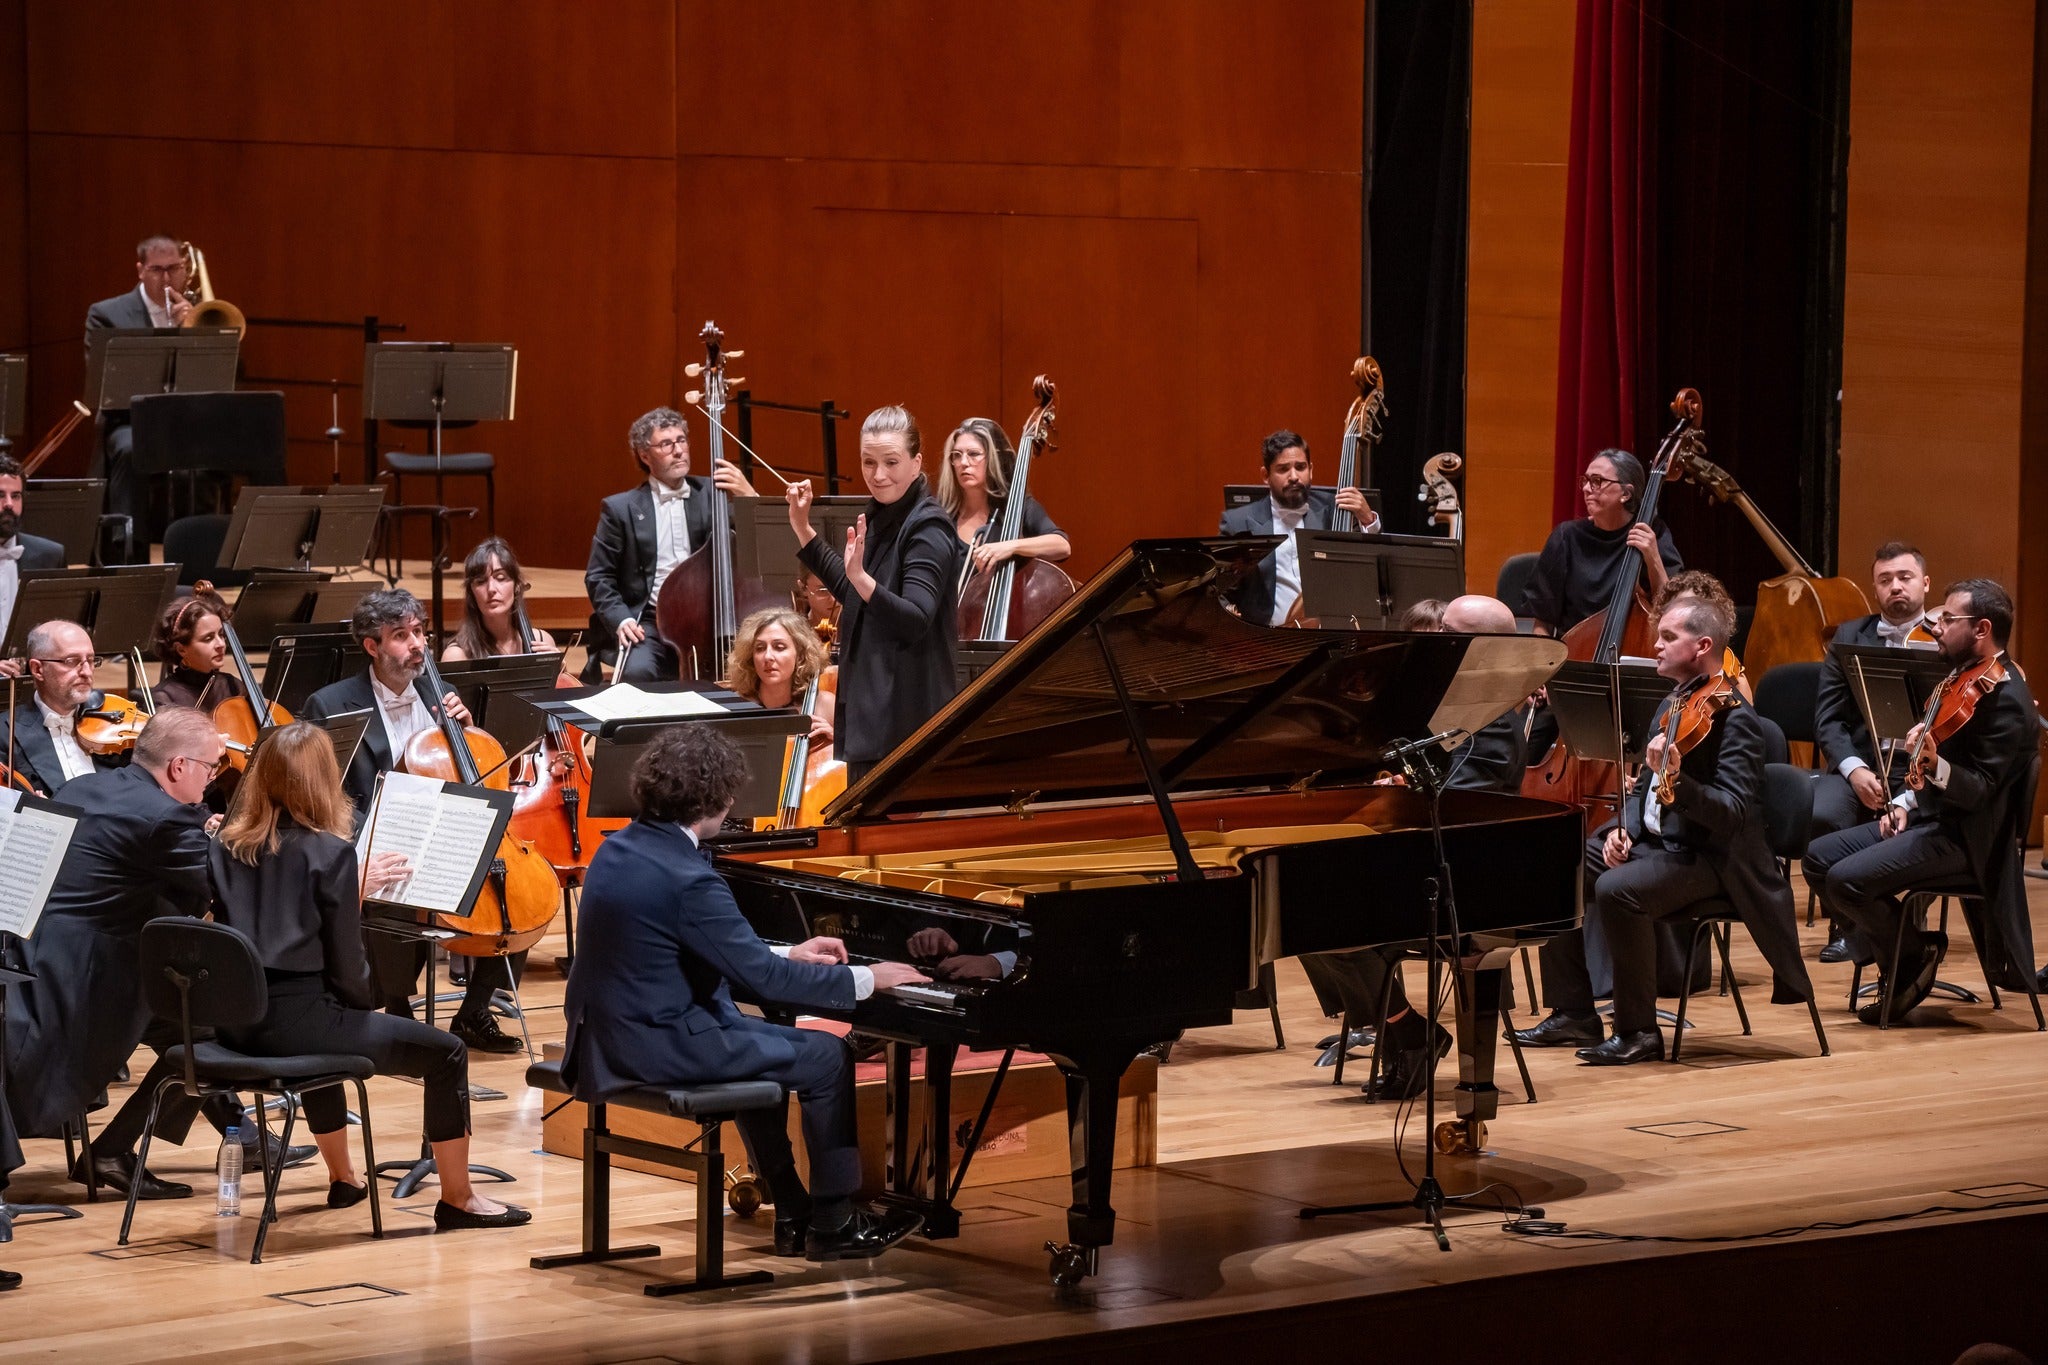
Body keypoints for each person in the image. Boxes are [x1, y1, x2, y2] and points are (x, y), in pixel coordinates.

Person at [561, 724, 930, 1261]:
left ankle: (794, 1213)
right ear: (714, 798)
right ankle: (834, 1221)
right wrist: (871, 978)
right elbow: (764, 982)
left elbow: (696, 950)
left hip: (605, 1039)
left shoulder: (619, 850)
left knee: (763, 1046)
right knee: (825, 1054)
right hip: (658, 1044)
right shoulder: (691, 877)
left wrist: (785, 953)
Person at [208, 721, 529, 1230]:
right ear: (322, 781)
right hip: (297, 1026)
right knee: (447, 1053)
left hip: (234, 1024)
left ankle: (345, 1178)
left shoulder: (225, 846)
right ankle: (459, 1199)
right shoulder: (332, 854)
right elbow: (346, 964)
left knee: (319, 1034)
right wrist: (362, 1002)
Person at [1513, 592, 1815, 1064]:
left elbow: (1730, 815)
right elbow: (1641, 794)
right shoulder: (1673, 701)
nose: (1655, 645)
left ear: (1702, 646)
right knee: (1559, 862)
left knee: (1617, 889)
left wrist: (1678, 780)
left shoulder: (1736, 720)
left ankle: (1639, 1030)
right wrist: (1625, 829)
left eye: (1668, 637)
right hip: (1660, 844)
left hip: (1714, 860)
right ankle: (1574, 1012)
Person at [1299, 595, 1527, 1096]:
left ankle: (1406, 1036)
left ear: (1480, 644)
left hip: (1466, 875)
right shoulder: (1442, 695)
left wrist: (1401, 796)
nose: (1436, 636)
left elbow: (1467, 802)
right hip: (1418, 859)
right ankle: (1405, 1030)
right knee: (1300, 911)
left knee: (1325, 918)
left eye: (1448, 629)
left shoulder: (1496, 716)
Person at [1, 707, 220, 1198]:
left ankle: (234, 1138)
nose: (213, 778)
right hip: (88, 981)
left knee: (199, 1030)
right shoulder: (166, 817)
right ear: (179, 767)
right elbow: (220, 887)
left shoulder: (84, 788)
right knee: (212, 1032)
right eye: (212, 766)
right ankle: (113, 1151)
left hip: (28, 954)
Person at [1804, 579, 2040, 1025]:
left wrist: (1934, 767)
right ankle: (1907, 952)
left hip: (1967, 840)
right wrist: (1906, 803)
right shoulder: (1956, 678)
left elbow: (1980, 791)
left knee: (1846, 881)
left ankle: (1909, 958)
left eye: (1949, 619)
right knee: (1818, 858)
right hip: (1928, 820)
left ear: (1981, 629)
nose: (1936, 626)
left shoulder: (2007, 701)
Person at [298, 591, 516, 1054]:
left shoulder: (443, 696)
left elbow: (473, 777)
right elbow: (324, 795)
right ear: (372, 647)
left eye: (419, 632)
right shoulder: (329, 704)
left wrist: (467, 732)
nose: (417, 644)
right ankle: (397, 1004)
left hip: (446, 825)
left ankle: (474, 1009)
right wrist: (375, 835)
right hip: (376, 833)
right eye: (401, 636)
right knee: (396, 873)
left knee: (514, 883)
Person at [786, 406, 962, 786]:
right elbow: (857, 593)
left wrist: (862, 579)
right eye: (869, 462)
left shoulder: (928, 526)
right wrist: (803, 528)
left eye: (891, 462)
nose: (878, 475)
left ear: (916, 464)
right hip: (876, 718)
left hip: (906, 724)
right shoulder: (885, 514)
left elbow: (914, 618)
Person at [1809, 542, 1939, 963]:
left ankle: (1887, 927)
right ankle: (1851, 925)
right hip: (1863, 764)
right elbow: (1828, 719)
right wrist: (1853, 770)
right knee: (1823, 812)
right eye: (1885, 580)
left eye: (1904, 578)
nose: (1895, 587)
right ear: (1874, 587)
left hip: (1923, 768)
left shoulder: (1945, 640)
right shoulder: (1849, 636)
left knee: (1923, 818)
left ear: (1925, 582)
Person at [583, 407, 751, 684]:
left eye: (682, 440)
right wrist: (622, 619)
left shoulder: (712, 494)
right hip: (649, 620)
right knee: (637, 673)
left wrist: (748, 496)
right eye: (666, 444)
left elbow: (752, 539)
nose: (678, 450)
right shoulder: (620, 509)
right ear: (644, 455)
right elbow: (599, 576)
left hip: (712, 618)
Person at [84, 235, 190, 553]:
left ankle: (209, 555)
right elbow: (102, 382)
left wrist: (192, 331)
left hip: (184, 421)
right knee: (131, 450)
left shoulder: (197, 313)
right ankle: (126, 552)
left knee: (236, 442)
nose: (167, 278)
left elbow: (226, 373)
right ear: (141, 270)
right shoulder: (106, 314)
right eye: (157, 270)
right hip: (129, 420)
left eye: (174, 269)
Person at [1218, 430, 1379, 626]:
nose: (1294, 476)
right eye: (1283, 469)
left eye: (1300, 467)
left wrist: (1367, 520)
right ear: (1265, 475)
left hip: (1327, 634)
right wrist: (1231, 618)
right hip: (1265, 640)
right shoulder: (1238, 522)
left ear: (1310, 470)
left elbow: (1366, 566)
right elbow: (1220, 591)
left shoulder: (1335, 511)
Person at [1520, 448, 1682, 637]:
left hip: (1630, 656)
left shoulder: (1653, 533)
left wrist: (1652, 556)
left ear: (1626, 493)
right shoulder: (1567, 536)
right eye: (1586, 480)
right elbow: (1542, 621)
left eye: (1597, 481)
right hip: (1572, 655)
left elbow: (1672, 609)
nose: (1587, 488)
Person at [936, 418, 1071, 583]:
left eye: (973, 454)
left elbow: (1062, 546)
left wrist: (1011, 546)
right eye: (957, 455)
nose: (963, 463)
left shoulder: (1019, 507)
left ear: (994, 458)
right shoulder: (942, 516)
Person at [5, 620, 125, 795]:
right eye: (72, 661)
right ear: (38, 669)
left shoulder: (115, 725)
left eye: (91, 661)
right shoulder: (6, 734)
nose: (86, 672)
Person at [726, 606, 834, 760]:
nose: (768, 656)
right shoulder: (735, 708)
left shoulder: (825, 705)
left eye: (779, 647)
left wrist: (836, 741)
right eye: (760, 648)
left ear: (800, 655)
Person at [442, 536, 559, 662]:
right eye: (481, 581)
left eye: (501, 578)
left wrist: (560, 671)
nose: (491, 589)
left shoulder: (542, 642)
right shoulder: (457, 656)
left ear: (516, 586)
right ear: (471, 592)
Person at [0, 454, 67, 668]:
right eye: (0, 495)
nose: (9, 504)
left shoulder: (50, 555)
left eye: (16, 496)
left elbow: (59, 629)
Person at [147, 587, 244, 710]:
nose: (221, 644)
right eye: (208, 638)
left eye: (221, 634)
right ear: (181, 649)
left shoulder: (232, 686)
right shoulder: (164, 697)